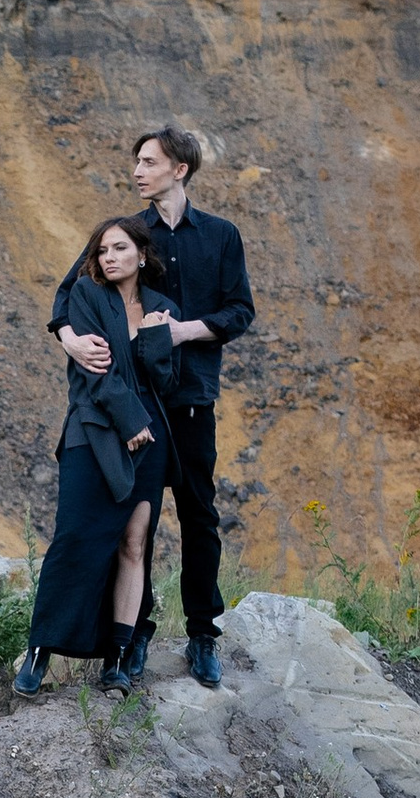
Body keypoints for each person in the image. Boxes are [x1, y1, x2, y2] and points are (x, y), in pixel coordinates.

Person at [53, 124, 252, 689]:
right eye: (136, 161)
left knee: (198, 518)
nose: (137, 171)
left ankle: (201, 635)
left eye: (148, 161)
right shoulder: (125, 236)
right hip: (129, 409)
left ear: (179, 169)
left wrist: (184, 330)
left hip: (188, 403)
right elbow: (67, 297)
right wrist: (69, 338)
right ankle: (133, 633)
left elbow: (240, 312)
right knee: (129, 524)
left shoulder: (220, 235)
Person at [14, 217, 174, 701]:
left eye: (120, 248)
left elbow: (164, 380)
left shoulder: (162, 308)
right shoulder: (86, 295)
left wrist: (154, 338)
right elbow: (94, 373)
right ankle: (39, 652)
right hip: (95, 430)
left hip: (151, 439)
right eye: (102, 249)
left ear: (141, 255)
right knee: (74, 537)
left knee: (133, 544)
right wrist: (129, 422)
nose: (109, 257)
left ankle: (118, 659)